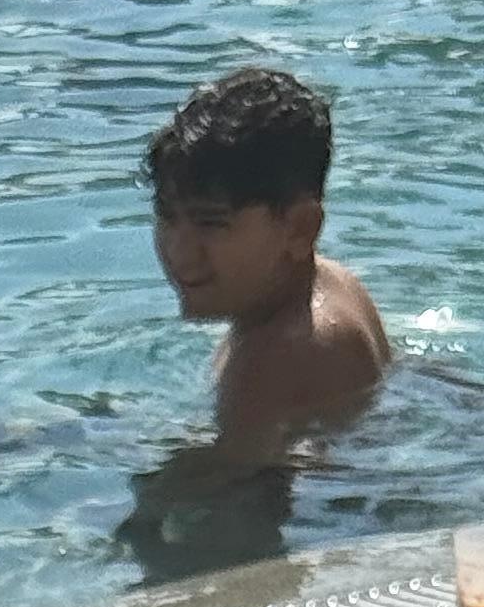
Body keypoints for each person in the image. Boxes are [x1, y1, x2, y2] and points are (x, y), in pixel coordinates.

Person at [144, 65, 389, 460]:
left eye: (211, 223)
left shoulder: (274, 360)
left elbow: (228, 484)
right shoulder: (336, 283)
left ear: (300, 229)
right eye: (167, 216)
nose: (180, 251)